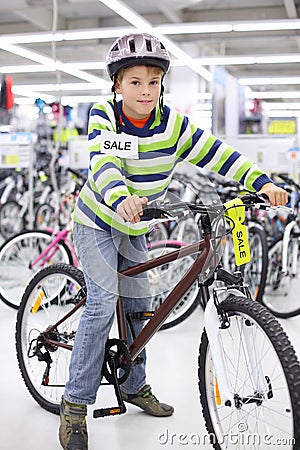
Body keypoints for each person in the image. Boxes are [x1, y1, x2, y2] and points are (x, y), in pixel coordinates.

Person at [59, 32, 287, 450]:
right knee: (104, 302)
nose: (145, 91)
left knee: (141, 305)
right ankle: (74, 404)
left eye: (153, 81)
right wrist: (120, 195)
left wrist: (262, 181)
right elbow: (104, 162)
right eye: (135, 82)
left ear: (162, 84)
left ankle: (134, 385)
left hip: (135, 226)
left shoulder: (174, 125)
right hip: (97, 221)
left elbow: (217, 153)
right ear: (116, 85)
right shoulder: (104, 116)